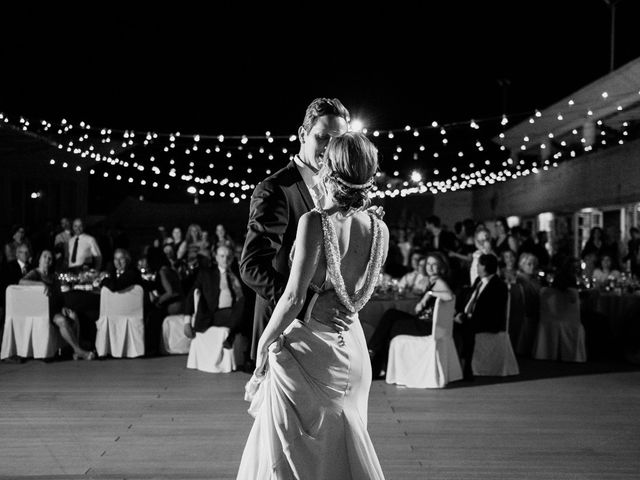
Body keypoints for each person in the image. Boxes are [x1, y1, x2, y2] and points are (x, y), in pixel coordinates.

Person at [237, 131, 389, 479]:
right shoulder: (380, 229)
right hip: (351, 349)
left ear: (329, 168)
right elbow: (356, 297)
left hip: (309, 353)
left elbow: (293, 297)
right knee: (342, 448)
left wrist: (263, 344)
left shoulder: (315, 223)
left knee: (295, 459)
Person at [240, 97, 353, 361]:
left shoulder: (337, 190)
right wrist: (308, 304)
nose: (329, 148)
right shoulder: (276, 189)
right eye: (322, 137)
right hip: (282, 326)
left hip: (325, 327)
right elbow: (252, 267)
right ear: (303, 133)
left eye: (338, 141)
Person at [368, 252, 453, 378]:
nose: (430, 267)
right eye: (428, 264)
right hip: (423, 321)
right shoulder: (432, 281)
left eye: (434, 264)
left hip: (428, 325)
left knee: (392, 326)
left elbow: (450, 296)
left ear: (441, 267)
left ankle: (374, 360)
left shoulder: (440, 282)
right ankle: (374, 356)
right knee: (391, 315)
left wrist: (429, 294)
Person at [20, 250, 95, 360]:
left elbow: (59, 296)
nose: (47, 259)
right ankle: (78, 351)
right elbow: (21, 282)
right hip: (43, 310)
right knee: (62, 320)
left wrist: (63, 307)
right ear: (39, 259)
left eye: (50, 258)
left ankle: (75, 349)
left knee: (73, 315)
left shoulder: (53, 276)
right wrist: (40, 284)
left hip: (55, 307)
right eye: (44, 256)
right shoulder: (35, 273)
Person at [455, 254, 508, 380]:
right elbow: (472, 300)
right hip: (473, 318)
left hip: (489, 321)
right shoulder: (479, 281)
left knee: (467, 327)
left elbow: (492, 310)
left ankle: (466, 365)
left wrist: (467, 317)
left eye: (478, 265)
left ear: (486, 266)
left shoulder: (498, 285)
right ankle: (455, 362)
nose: (476, 268)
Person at [183, 245, 245, 349]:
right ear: (216, 257)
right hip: (214, 314)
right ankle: (242, 349)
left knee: (245, 304)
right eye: (222, 256)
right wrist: (187, 322)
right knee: (246, 313)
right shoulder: (206, 274)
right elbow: (190, 296)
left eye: (228, 256)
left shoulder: (238, 274)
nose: (225, 259)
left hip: (236, 312)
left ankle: (233, 337)